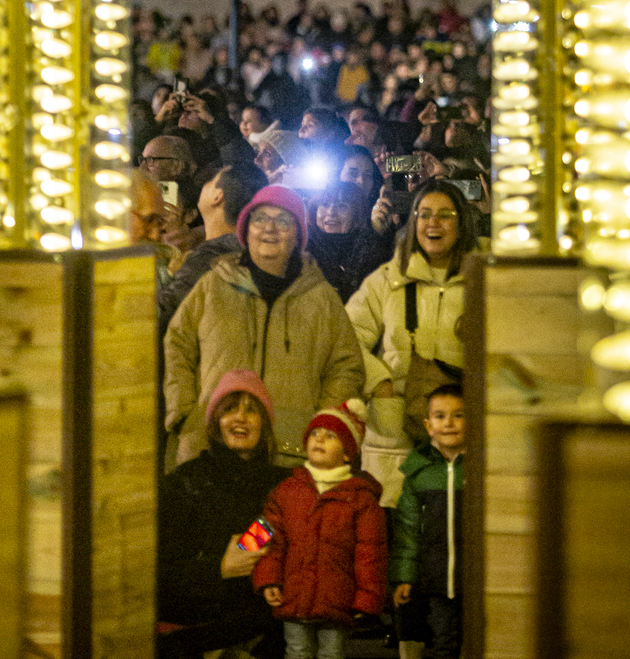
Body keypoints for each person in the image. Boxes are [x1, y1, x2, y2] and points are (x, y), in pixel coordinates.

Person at [162, 184, 366, 465]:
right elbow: (177, 345)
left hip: (289, 454)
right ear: (245, 230)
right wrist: (185, 413)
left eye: (283, 221)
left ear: (298, 235)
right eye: (260, 219)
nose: (270, 228)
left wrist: (319, 424)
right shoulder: (213, 284)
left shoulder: (322, 298)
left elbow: (346, 367)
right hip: (209, 448)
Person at [156, 370, 285, 659]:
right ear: (215, 422)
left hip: (256, 617)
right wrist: (219, 567)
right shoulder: (184, 483)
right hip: (191, 622)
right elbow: (159, 577)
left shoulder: (280, 486)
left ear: (265, 423)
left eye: (252, 410)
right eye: (230, 409)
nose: (241, 418)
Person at [253, 398, 387, 659]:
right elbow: (267, 535)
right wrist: (267, 577)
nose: (319, 440)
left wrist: (367, 597)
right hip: (295, 592)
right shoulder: (286, 491)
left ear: (348, 453)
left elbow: (370, 552)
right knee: (295, 658)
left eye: (330, 436)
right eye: (315, 433)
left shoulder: (361, 499)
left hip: (337, 597)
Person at [346, 178, 477, 503]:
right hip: (393, 437)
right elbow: (344, 340)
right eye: (424, 213)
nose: (433, 222)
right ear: (413, 221)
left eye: (446, 214)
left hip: (460, 433)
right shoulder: (385, 280)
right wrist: (380, 382)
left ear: (462, 223)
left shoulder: (485, 281)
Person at [391, 383, 466, 659]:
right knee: (445, 649)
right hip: (438, 580)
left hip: (478, 577)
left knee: (484, 648)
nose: (449, 423)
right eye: (440, 416)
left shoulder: (483, 466)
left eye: (458, 415)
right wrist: (405, 576)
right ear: (427, 424)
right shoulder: (419, 472)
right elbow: (407, 530)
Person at [157, 164, 258, 337]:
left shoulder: (211, 258)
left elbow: (163, 314)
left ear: (218, 197)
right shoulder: (246, 252)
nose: (204, 185)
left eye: (211, 182)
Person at [306, 182, 390, 303]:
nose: (331, 212)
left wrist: (374, 235)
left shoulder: (371, 247)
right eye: (324, 204)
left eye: (342, 206)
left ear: (356, 215)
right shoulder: (303, 248)